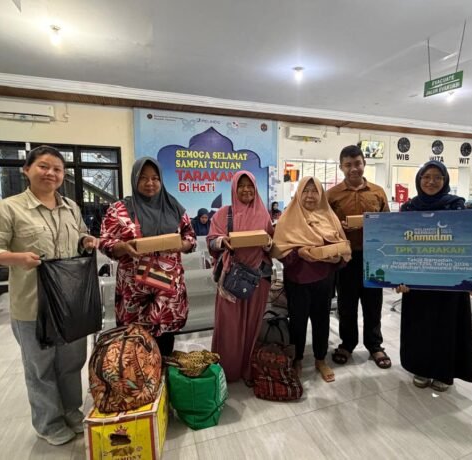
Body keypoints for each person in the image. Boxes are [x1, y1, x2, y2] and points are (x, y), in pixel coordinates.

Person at [0, 145, 98, 446]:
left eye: (57, 169)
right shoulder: (7, 209)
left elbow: (79, 235)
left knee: (71, 362)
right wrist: (17, 258)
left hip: (70, 302)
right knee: (40, 367)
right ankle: (48, 422)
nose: (50, 173)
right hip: (32, 304)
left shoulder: (70, 207)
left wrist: (86, 240)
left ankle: (71, 411)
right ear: (26, 169)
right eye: (43, 166)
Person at [395, 161, 472, 392]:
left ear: (445, 181)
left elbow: (470, 241)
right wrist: (397, 277)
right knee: (420, 327)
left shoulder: (456, 206)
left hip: (450, 282)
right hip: (417, 282)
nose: (431, 181)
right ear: (419, 180)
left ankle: (444, 372)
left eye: (437, 177)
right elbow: (398, 245)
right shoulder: (409, 208)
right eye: (426, 177)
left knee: (447, 327)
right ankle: (421, 368)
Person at [99, 157, 196, 356]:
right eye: (143, 178)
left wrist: (182, 245)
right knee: (135, 355)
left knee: (166, 350)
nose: (149, 183)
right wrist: (124, 247)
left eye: (155, 178)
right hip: (135, 295)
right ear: (135, 179)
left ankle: (164, 376)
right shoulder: (119, 210)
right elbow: (104, 242)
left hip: (168, 296)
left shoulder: (174, 207)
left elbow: (190, 237)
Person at [272, 177, 350, 383]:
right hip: (298, 280)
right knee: (298, 321)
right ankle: (297, 359)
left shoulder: (329, 217)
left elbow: (342, 247)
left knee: (322, 320)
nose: (310, 196)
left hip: (324, 279)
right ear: (298, 193)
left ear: (321, 194)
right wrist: (299, 253)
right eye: (305, 191)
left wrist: (336, 257)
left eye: (314, 191)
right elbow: (280, 251)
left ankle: (320, 359)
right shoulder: (288, 219)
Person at [327, 145, 392, 369]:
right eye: (348, 165)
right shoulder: (332, 195)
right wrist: (340, 228)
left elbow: (387, 224)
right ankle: (347, 343)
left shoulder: (378, 192)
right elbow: (325, 226)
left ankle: (374, 345)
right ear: (341, 167)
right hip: (345, 258)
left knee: (373, 303)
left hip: (373, 257)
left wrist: (372, 226)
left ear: (364, 163)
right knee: (346, 304)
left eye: (357, 163)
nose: (354, 169)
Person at [207, 171, 274, 384]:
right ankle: (227, 370)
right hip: (231, 279)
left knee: (253, 325)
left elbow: (272, 245)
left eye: (250, 185)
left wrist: (268, 244)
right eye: (241, 186)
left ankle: (247, 369)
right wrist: (222, 241)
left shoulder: (264, 215)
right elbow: (211, 241)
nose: (246, 190)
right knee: (229, 326)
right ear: (234, 189)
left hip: (258, 278)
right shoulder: (224, 214)